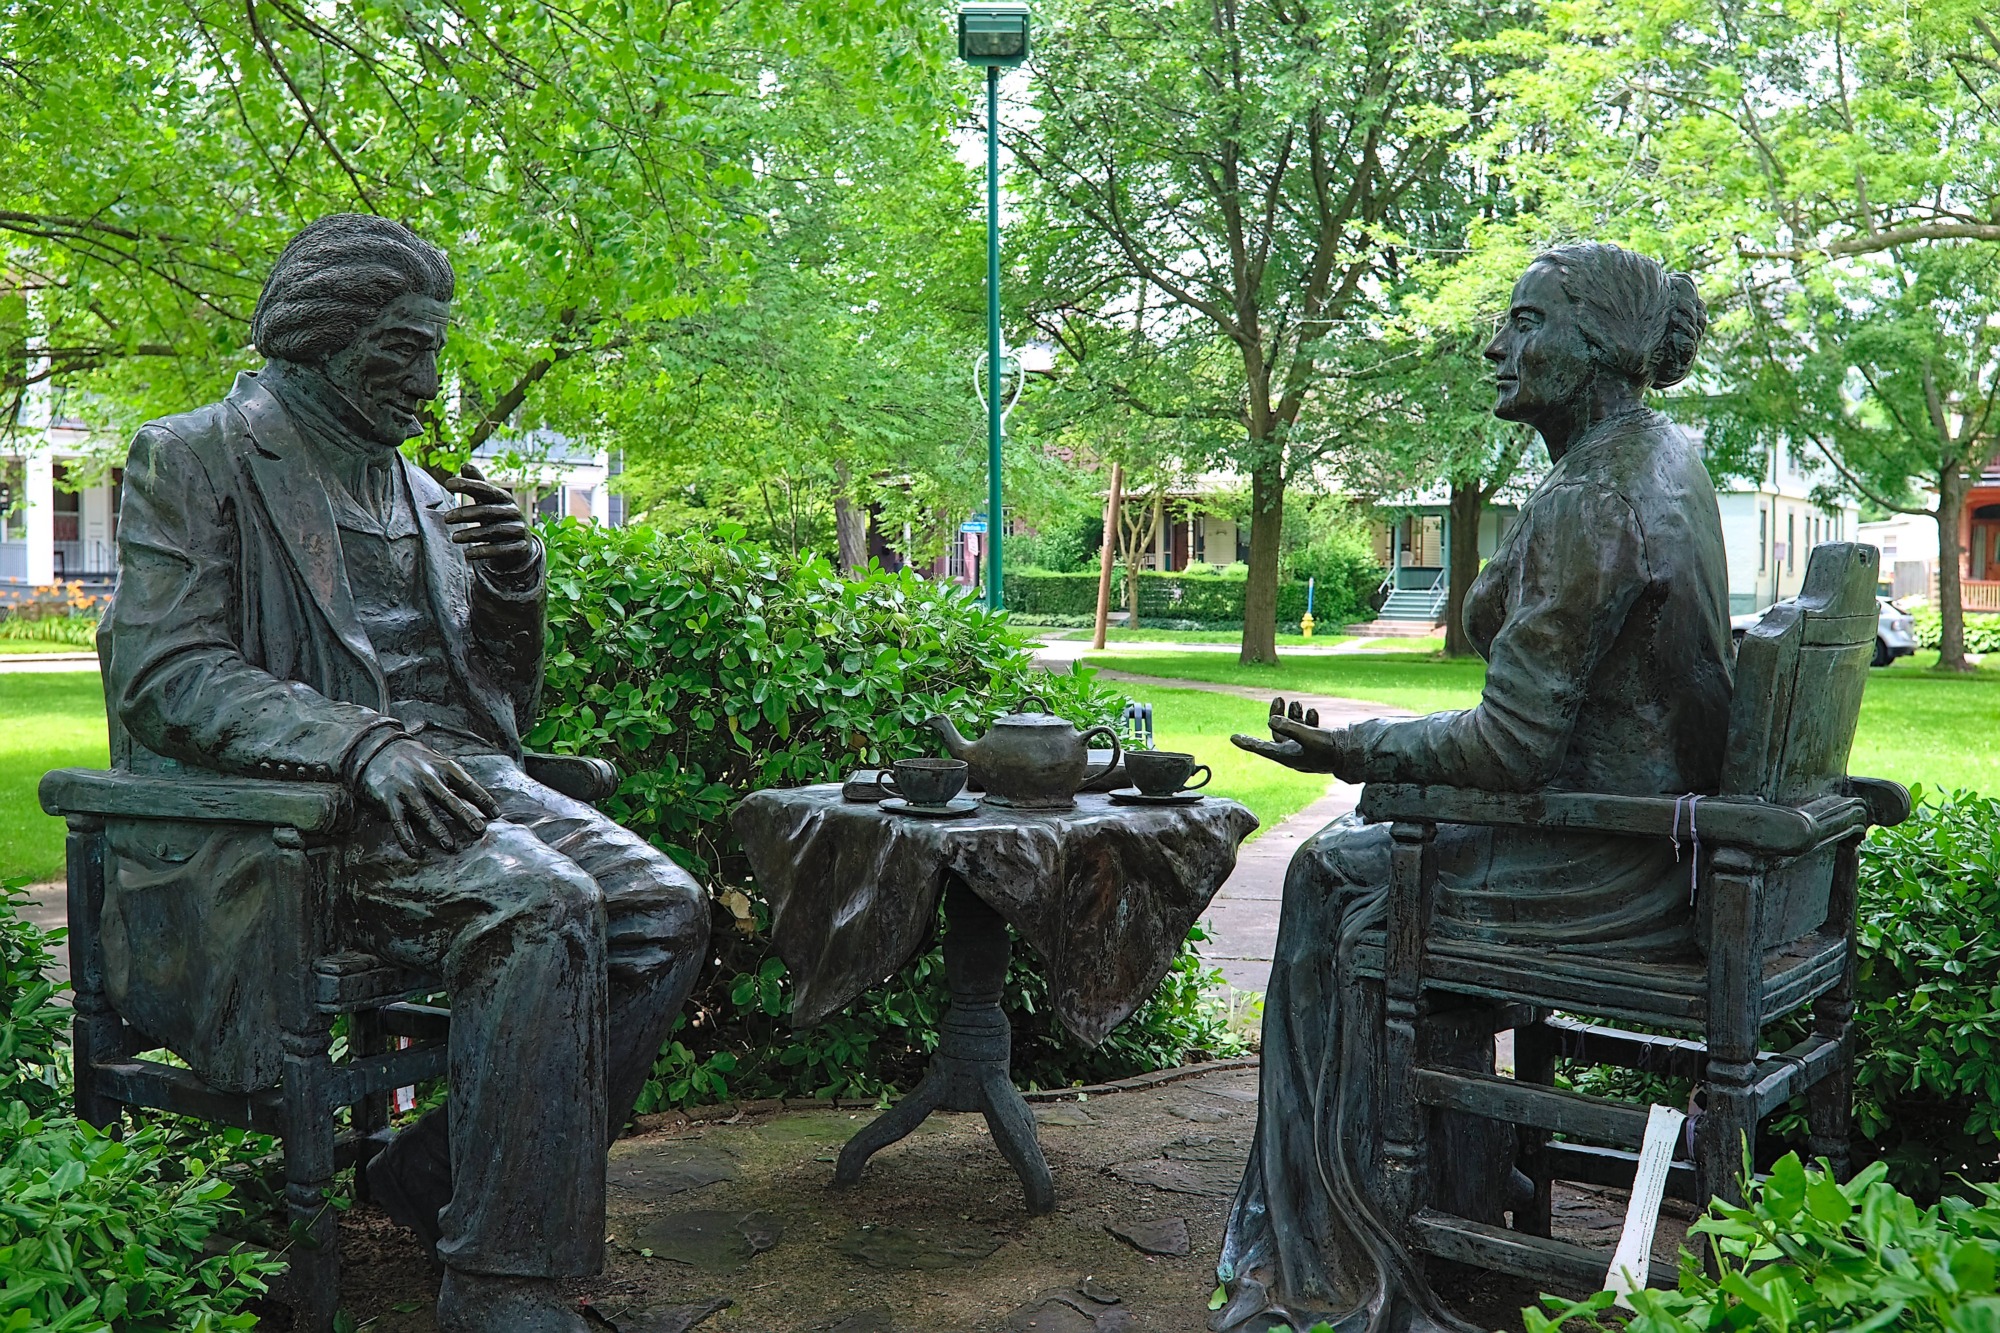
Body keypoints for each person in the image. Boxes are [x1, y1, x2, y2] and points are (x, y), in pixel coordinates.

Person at [99, 213, 710, 1333]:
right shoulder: (198, 456)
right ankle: (499, 1284)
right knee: (541, 906)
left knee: (664, 912)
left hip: (457, 787)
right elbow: (164, 673)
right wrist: (358, 741)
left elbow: (495, 707)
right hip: (295, 823)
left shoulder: (427, 496)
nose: (430, 382)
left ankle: (431, 1177)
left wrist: (515, 593)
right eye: (402, 352)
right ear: (316, 339)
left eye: (434, 350)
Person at [1215, 242, 1727, 1332]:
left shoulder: (1592, 495)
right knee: (1370, 844)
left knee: (1331, 875)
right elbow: (1517, 634)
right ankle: (1444, 1179)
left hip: (1611, 863)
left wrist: (1356, 747)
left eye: (1524, 321)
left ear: (1595, 347)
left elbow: (1508, 747)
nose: (1496, 344)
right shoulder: (1653, 457)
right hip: (1663, 839)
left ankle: (1336, 1249)